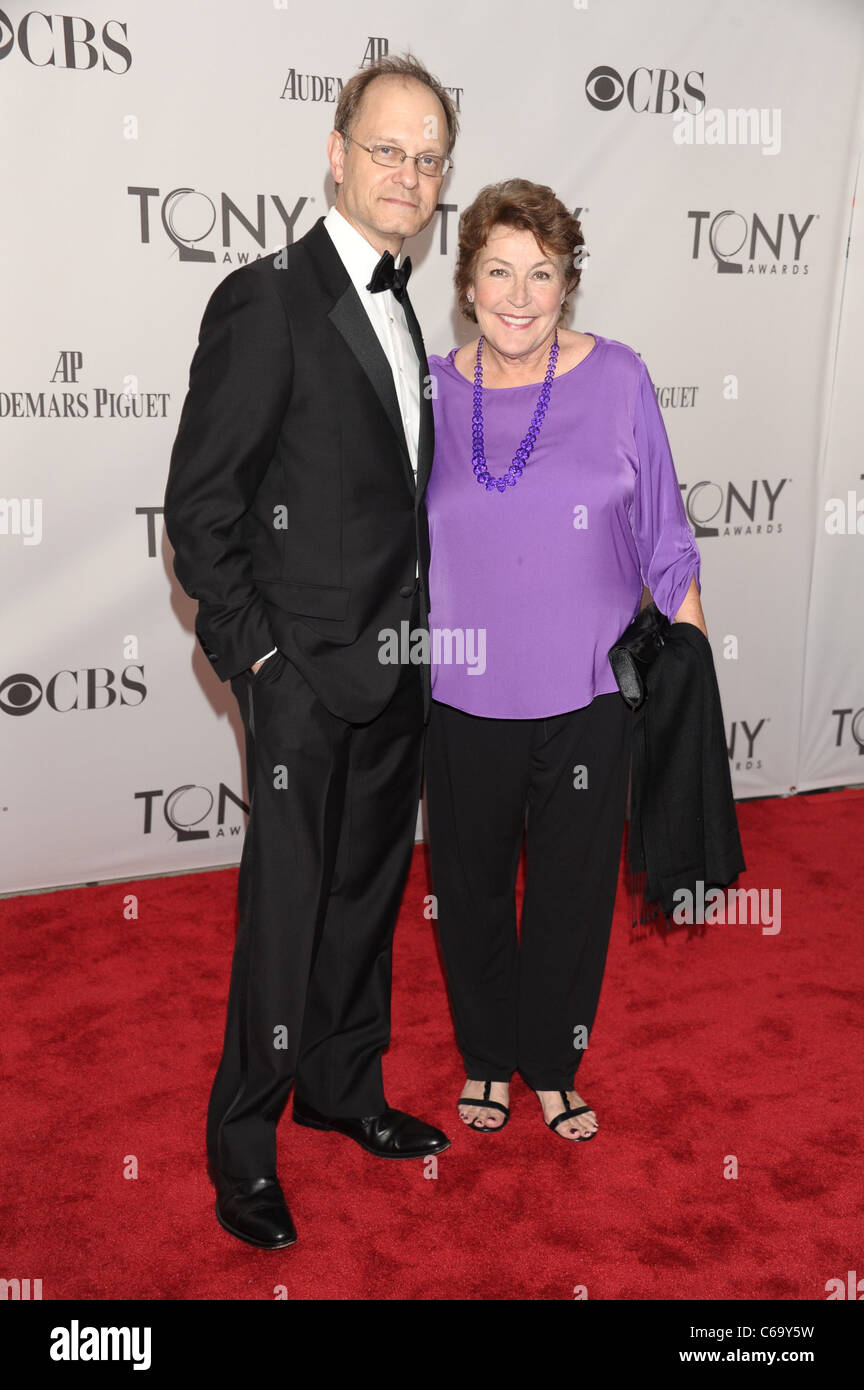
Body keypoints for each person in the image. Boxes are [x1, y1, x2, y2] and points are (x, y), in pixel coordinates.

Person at [164, 54, 458, 1249]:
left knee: (366, 899)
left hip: (398, 672)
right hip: (301, 679)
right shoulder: (266, 297)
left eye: (430, 158)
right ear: (335, 153)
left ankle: (341, 1088)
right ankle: (243, 1143)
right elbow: (201, 514)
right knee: (286, 913)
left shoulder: (404, 309)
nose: (409, 174)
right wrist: (261, 668)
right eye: (388, 149)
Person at [423, 178, 707, 1142]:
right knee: (465, 893)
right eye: (497, 270)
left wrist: (694, 680)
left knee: (574, 898)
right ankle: (486, 1060)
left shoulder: (620, 378)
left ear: (567, 285)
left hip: (591, 691)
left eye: (539, 273)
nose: (517, 293)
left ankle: (552, 1062)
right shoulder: (424, 391)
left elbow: (667, 540)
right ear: (464, 283)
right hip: (459, 695)